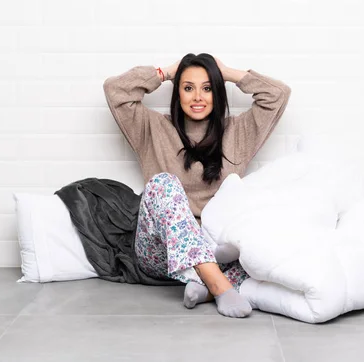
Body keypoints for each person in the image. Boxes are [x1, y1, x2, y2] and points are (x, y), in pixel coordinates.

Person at [103, 53, 291, 318]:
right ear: (177, 93)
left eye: (207, 88)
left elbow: (278, 94)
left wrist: (226, 73)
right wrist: (166, 72)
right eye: (188, 88)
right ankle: (217, 285)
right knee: (163, 183)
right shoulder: (152, 128)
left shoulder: (239, 132)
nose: (198, 97)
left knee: (271, 226)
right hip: (161, 253)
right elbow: (115, 90)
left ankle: (204, 285)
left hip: (218, 250)